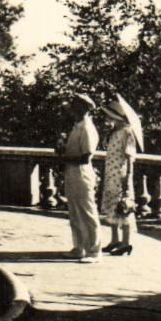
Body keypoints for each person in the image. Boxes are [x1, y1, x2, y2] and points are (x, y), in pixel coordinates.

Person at [57, 92, 101, 262]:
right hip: (72, 172)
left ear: (84, 108)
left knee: (87, 211)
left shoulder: (88, 128)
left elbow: (85, 157)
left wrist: (64, 158)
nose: (72, 108)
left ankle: (94, 251)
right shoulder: (77, 126)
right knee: (75, 212)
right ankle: (79, 247)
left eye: (75, 104)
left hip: (82, 174)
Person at [100, 93, 144, 256]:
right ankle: (115, 239)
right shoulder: (113, 132)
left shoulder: (127, 132)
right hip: (111, 173)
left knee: (123, 207)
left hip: (121, 174)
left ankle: (126, 242)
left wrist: (128, 179)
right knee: (112, 206)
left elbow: (129, 157)